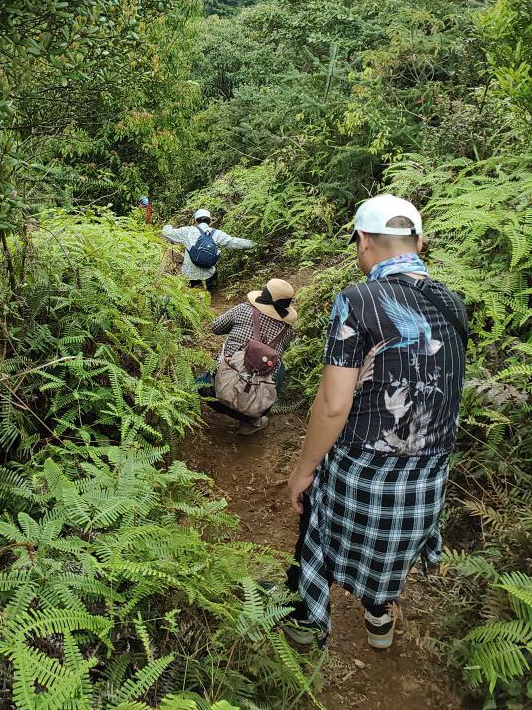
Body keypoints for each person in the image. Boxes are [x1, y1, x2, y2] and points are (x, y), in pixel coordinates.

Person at [285, 194, 468, 650]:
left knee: (318, 530)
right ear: (419, 242)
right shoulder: (454, 303)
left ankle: (307, 622)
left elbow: (333, 404)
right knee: (391, 546)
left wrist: (304, 469)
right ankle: (379, 615)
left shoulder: (358, 300)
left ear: (364, 241)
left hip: (363, 463)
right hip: (430, 468)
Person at [198, 279, 297, 434]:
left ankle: (188, 410)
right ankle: (249, 423)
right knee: (279, 367)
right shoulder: (287, 331)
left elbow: (216, 327)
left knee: (198, 384)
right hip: (252, 406)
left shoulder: (243, 309)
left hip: (215, 392)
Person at [161, 209, 255, 290]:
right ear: (210, 221)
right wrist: (254, 244)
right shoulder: (217, 233)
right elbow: (233, 242)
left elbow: (166, 233)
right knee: (210, 287)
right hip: (208, 275)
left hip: (189, 274)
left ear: (195, 221)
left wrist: (168, 226)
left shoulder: (187, 231)